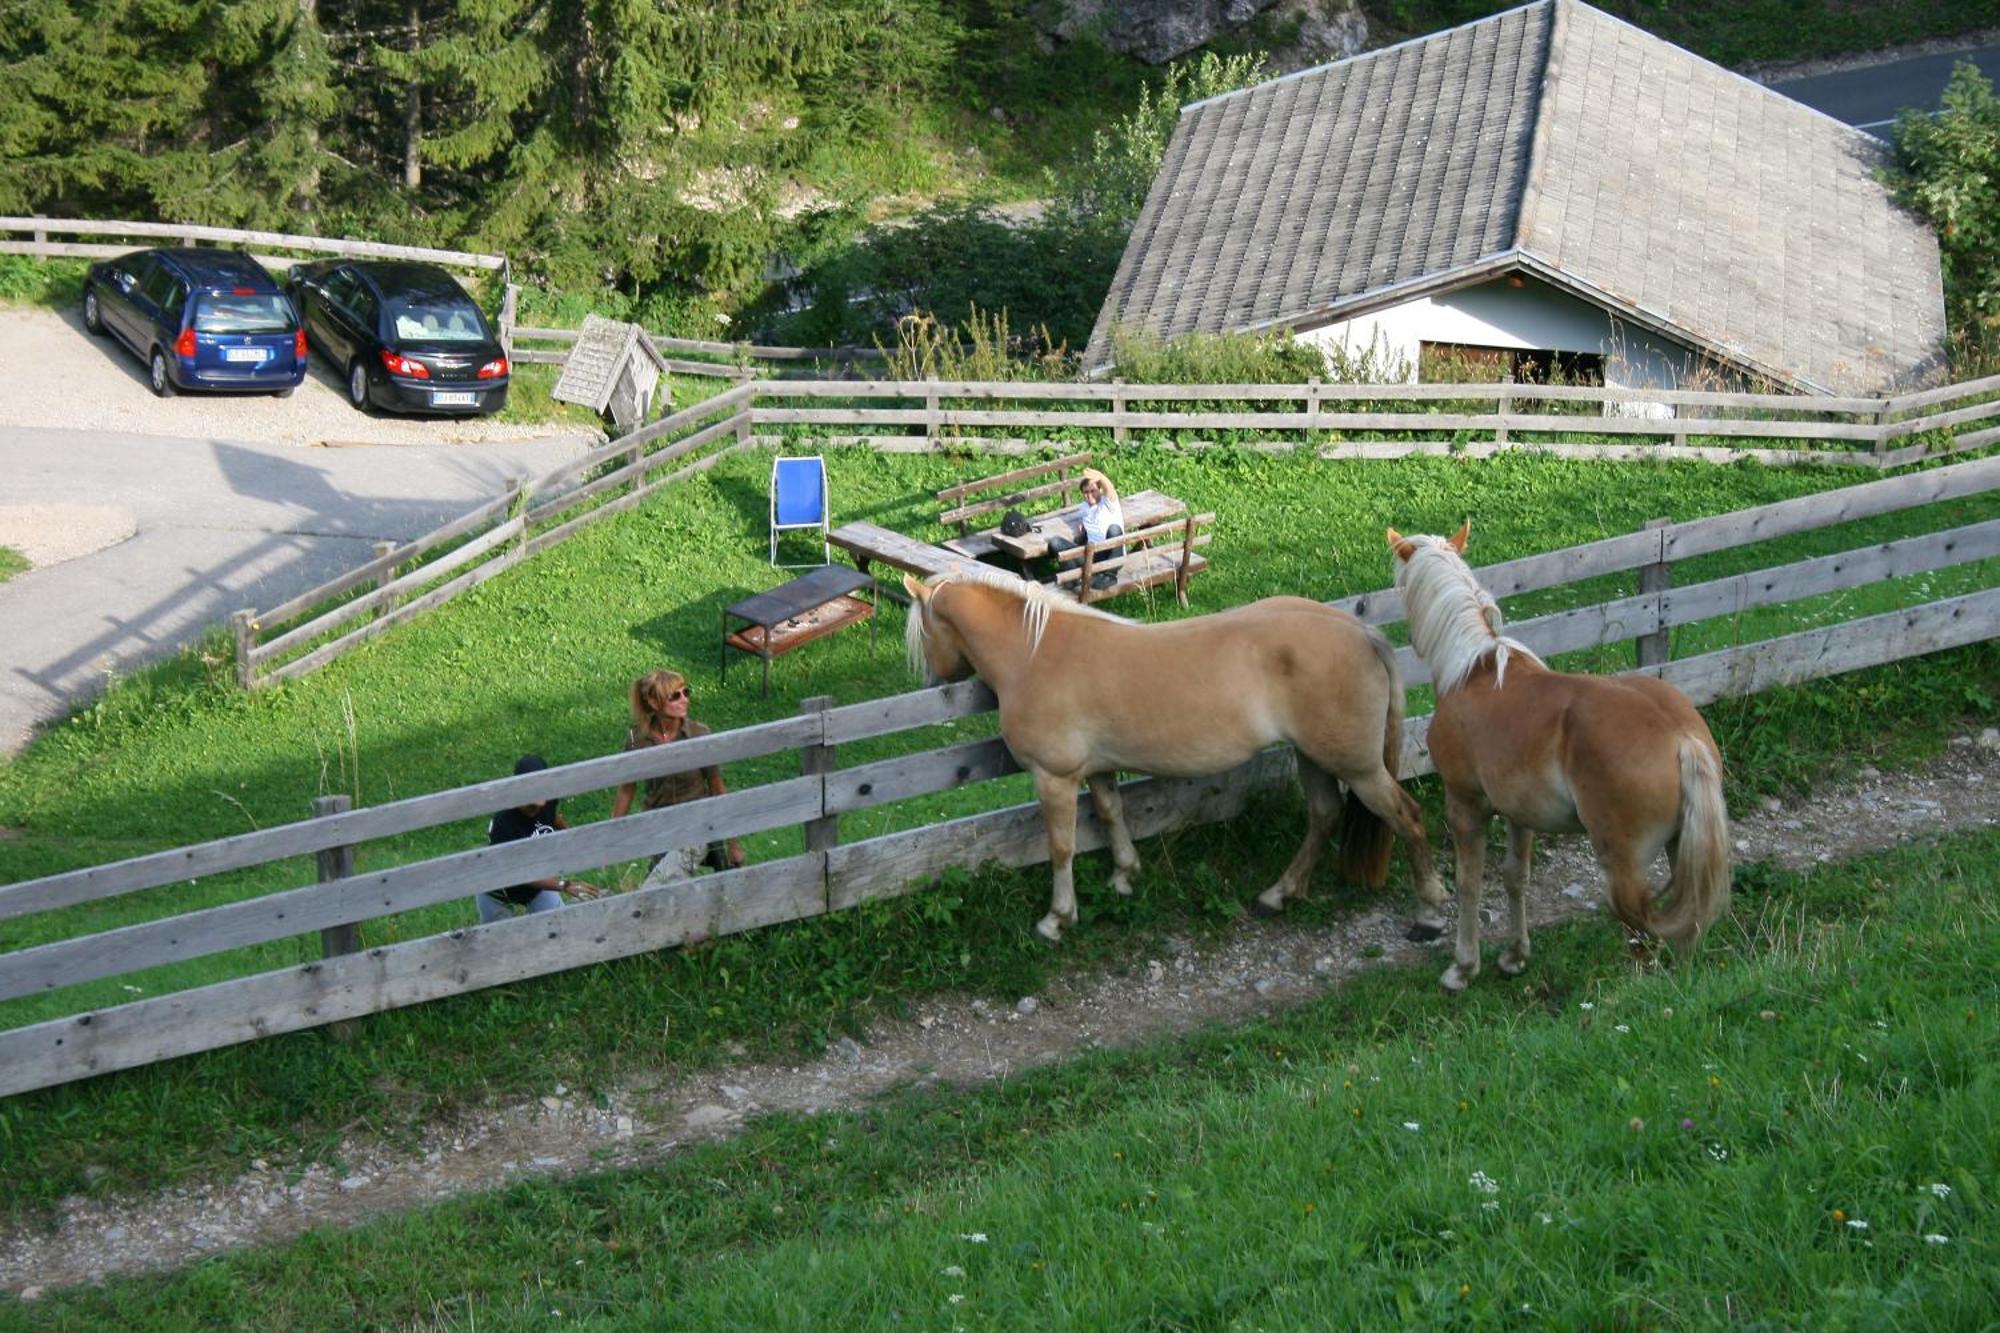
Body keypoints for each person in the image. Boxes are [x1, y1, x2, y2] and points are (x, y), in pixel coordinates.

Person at [612, 668, 746, 883]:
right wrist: (611, 835)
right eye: (675, 695)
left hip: (697, 824)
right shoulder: (638, 740)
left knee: (658, 883)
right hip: (659, 827)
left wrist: (733, 843)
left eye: (686, 692)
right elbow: (626, 790)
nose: (684, 700)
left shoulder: (699, 734)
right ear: (654, 703)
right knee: (669, 887)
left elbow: (717, 788)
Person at [477, 753, 604, 924]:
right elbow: (519, 873)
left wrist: (570, 834)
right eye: (531, 805)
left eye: (542, 803)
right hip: (497, 891)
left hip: (537, 887)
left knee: (560, 925)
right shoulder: (503, 822)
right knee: (501, 941)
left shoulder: (547, 801)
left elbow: (552, 816)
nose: (538, 809)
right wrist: (565, 885)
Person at [1045, 467, 1126, 589]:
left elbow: (1110, 489)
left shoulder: (1108, 503)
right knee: (1055, 543)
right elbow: (1085, 519)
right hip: (1091, 554)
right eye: (1086, 492)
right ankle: (1073, 578)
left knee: (1114, 529)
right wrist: (1083, 527)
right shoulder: (1084, 508)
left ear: (1100, 490)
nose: (1089, 495)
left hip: (1110, 553)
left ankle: (1109, 576)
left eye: (1093, 491)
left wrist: (1101, 477)